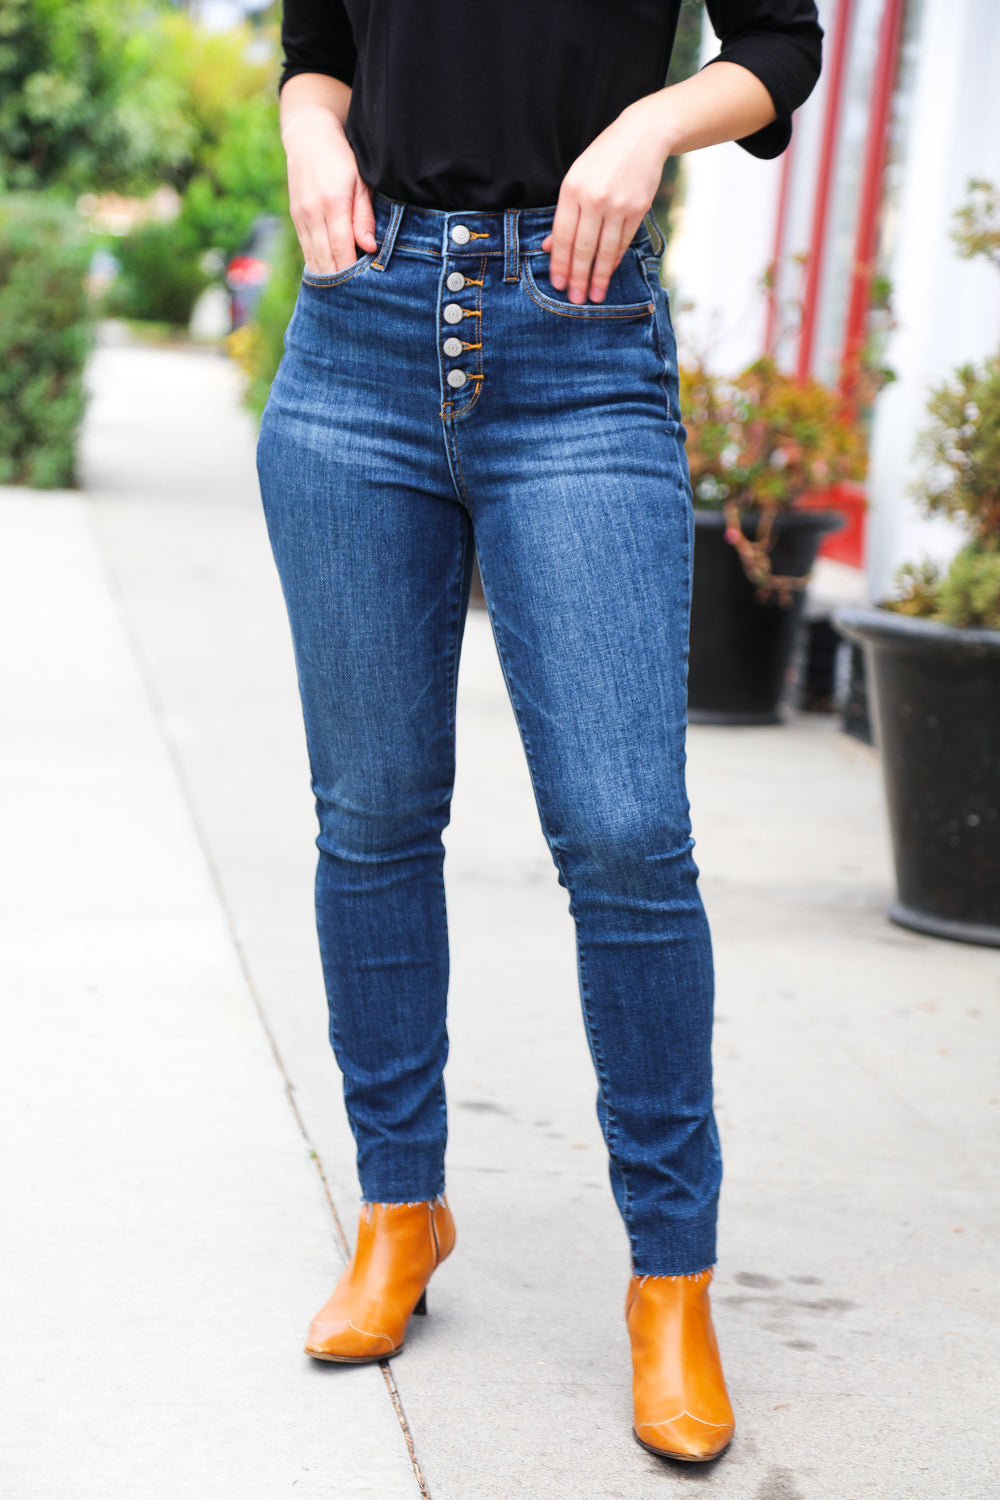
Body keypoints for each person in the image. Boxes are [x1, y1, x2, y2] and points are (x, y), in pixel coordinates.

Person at [257, 0, 822, 1464]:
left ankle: (671, 1278)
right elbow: (319, 54)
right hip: (358, 338)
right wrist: (311, 133)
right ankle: (400, 1208)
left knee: (628, 836)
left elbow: (781, 47)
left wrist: (650, 125)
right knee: (373, 814)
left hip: (577, 344)